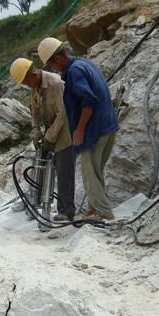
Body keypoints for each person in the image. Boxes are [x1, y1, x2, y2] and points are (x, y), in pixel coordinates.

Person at [38, 37, 119, 221]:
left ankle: (103, 212)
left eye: (52, 64)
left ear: (57, 59)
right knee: (96, 172)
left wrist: (80, 129)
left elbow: (88, 101)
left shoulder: (74, 72)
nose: (54, 69)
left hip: (95, 129)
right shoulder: (83, 63)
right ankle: (93, 207)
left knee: (89, 172)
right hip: (107, 125)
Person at [9, 57, 76, 221]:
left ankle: (66, 211)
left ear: (33, 74)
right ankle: (37, 202)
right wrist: (36, 130)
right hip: (49, 132)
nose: (26, 85)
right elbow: (35, 111)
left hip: (65, 133)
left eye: (26, 81)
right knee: (43, 166)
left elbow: (63, 114)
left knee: (63, 171)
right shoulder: (36, 87)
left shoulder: (55, 83)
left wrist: (50, 137)